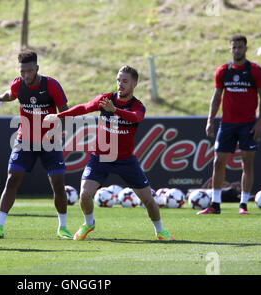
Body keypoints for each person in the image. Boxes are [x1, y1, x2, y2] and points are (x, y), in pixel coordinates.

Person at [44, 65, 174, 241]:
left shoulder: (138, 106)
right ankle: (89, 223)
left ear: (134, 84)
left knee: (148, 199)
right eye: (119, 80)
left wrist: (115, 111)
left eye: (125, 81)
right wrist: (59, 116)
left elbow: (136, 117)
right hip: (101, 156)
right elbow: (83, 108)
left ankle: (160, 231)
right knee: (84, 194)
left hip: (126, 160)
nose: (121, 84)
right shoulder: (105, 99)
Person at [0, 50, 72, 239]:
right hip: (24, 140)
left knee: (58, 184)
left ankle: (63, 227)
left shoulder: (51, 86)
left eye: (29, 71)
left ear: (37, 69)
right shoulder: (18, 84)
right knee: (12, 179)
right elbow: (12, 94)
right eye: (22, 71)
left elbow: (65, 111)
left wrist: (59, 129)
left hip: (49, 142)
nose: (26, 75)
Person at [200, 34, 261, 215]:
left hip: (248, 124)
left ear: (245, 48)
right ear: (230, 49)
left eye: (240, 47)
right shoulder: (223, 71)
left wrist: (260, 122)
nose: (237, 50)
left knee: (247, 163)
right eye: (234, 47)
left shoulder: (255, 71)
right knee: (218, 162)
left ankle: (243, 204)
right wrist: (210, 120)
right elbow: (216, 98)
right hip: (227, 124)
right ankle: (215, 204)